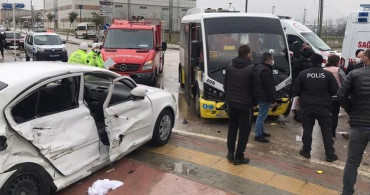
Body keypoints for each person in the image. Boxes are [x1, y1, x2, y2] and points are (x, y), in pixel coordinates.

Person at [292, 54, 339, 162]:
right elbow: (335, 90)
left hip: (307, 106)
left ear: (311, 61)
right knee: (326, 131)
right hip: (323, 106)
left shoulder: (303, 74)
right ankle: (330, 154)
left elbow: (295, 91)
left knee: (307, 129)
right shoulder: (327, 74)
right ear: (321, 62)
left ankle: (306, 151)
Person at [340, 49, 370, 195]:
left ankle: (347, 192)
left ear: (366, 59)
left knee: (352, 163)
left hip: (359, 125)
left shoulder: (354, 74)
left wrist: (351, 110)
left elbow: (341, 95)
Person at [224, 45, 255, 165]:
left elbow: (225, 85)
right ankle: (239, 157)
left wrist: (228, 99)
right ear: (248, 54)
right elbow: (255, 89)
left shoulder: (230, 67)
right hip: (245, 105)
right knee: (244, 131)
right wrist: (254, 103)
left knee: (232, 128)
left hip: (231, 103)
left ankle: (230, 154)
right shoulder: (252, 68)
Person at [253, 52, 276, 143]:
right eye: (272, 59)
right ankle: (258, 135)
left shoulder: (258, 67)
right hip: (264, 96)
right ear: (268, 59)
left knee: (262, 115)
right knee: (261, 116)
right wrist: (273, 99)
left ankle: (261, 131)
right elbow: (269, 87)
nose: (272, 61)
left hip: (258, 94)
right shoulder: (266, 70)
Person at [323, 55, 346, 138]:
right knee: (334, 115)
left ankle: (325, 132)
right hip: (335, 96)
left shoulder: (323, 70)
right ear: (337, 62)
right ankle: (332, 133)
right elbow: (344, 82)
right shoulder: (339, 70)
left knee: (325, 114)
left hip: (324, 96)